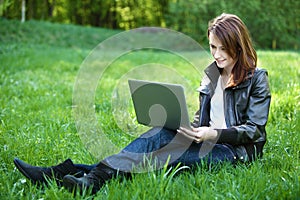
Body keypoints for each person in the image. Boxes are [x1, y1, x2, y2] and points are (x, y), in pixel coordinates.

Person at [13, 13, 271, 195]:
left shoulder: (257, 79)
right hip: (203, 139)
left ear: (237, 46)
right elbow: (202, 120)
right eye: (212, 47)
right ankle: (85, 180)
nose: (216, 54)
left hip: (234, 152)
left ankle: (63, 175)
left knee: (159, 159)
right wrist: (186, 127)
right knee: (157, 135)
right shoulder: (212, 74)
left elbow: (255, 130)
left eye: (222, 48)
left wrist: (213, 134)